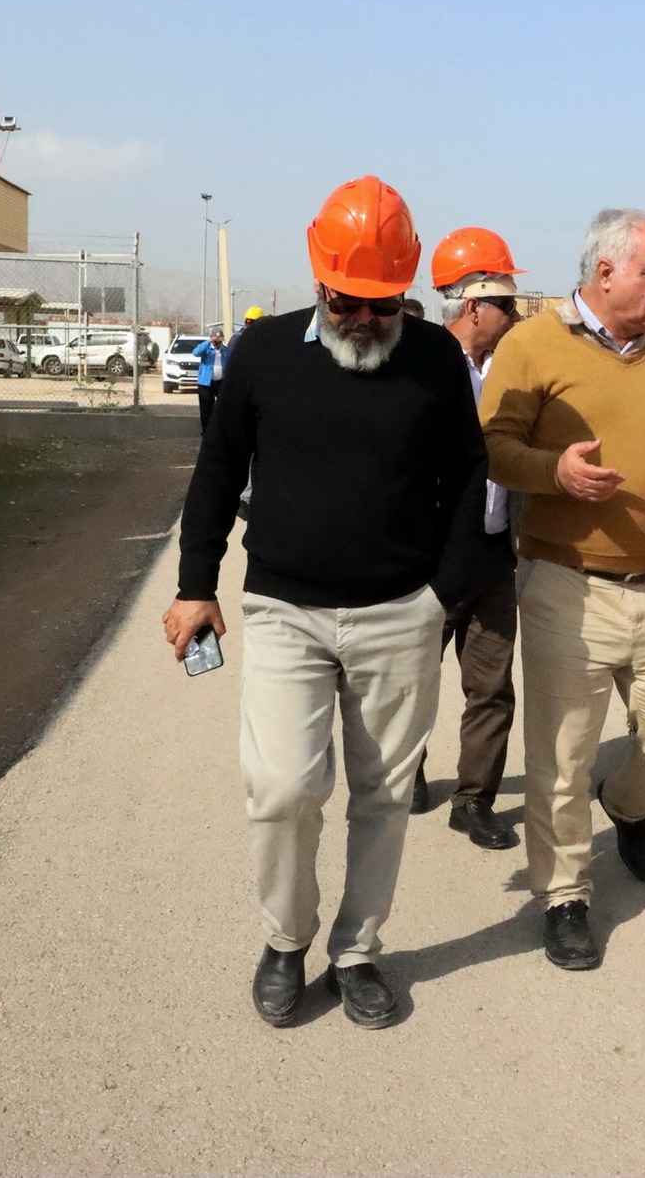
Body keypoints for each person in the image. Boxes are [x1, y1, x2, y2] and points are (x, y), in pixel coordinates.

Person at [162, 176, 487, 1030]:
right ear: (320, 281)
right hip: (286, 610)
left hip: (401, 614)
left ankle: (356, 949)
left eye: (385, 304)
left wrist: (443, 593)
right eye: (349, 302)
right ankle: (286, 937)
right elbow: (218, 468)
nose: (366, 321)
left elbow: (468, 476)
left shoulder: (436, 359)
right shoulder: (264, 353)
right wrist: (196, 584)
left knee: (383, 795)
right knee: (281, 787)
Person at [478, 207, 645, 971]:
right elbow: (490, 446)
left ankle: (626, 804)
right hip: (565, 584)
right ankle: (565, 896)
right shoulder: (531, 344)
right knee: (561, 757)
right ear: (605, 273)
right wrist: (555, 471)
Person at [413, 226, 527, 850]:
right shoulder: (424, 368)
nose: (515, 316)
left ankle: (474, 799)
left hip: (492, 553)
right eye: (507, 305)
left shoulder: (508, 371)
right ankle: (404, 770)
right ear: (475, 305)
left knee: (491, 685)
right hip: (431, 557)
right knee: (411, 677)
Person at [193, 327, 228, 433]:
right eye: (215, 341)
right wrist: (208, 342)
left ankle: (220, 430)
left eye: (219, 341)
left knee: (223, 406)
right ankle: (206, 431)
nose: (217, 343)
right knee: (206, 408)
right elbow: (195, 352)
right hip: (206, 383)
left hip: (220, 382)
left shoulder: (225, 350)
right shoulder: (206, 349)